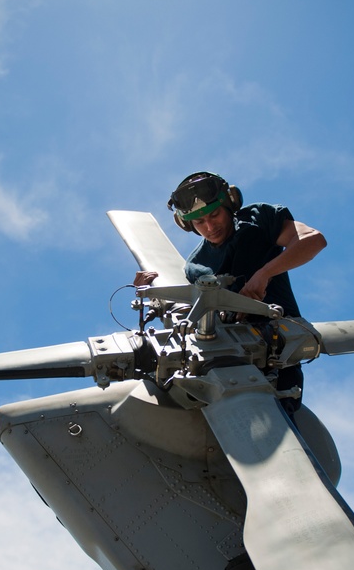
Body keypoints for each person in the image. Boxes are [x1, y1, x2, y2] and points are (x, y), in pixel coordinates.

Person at [136, 171, 327, 418]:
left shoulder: (258, 219)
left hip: (276, 356)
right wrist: (152, 291)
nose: (209, 226)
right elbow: (192, 315)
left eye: (215, 215)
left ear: (230, 205)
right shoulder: (196, 265)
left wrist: (265, 273)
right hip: (217, 365)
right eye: (199, 222)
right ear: (188, 225)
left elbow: (313, 241)